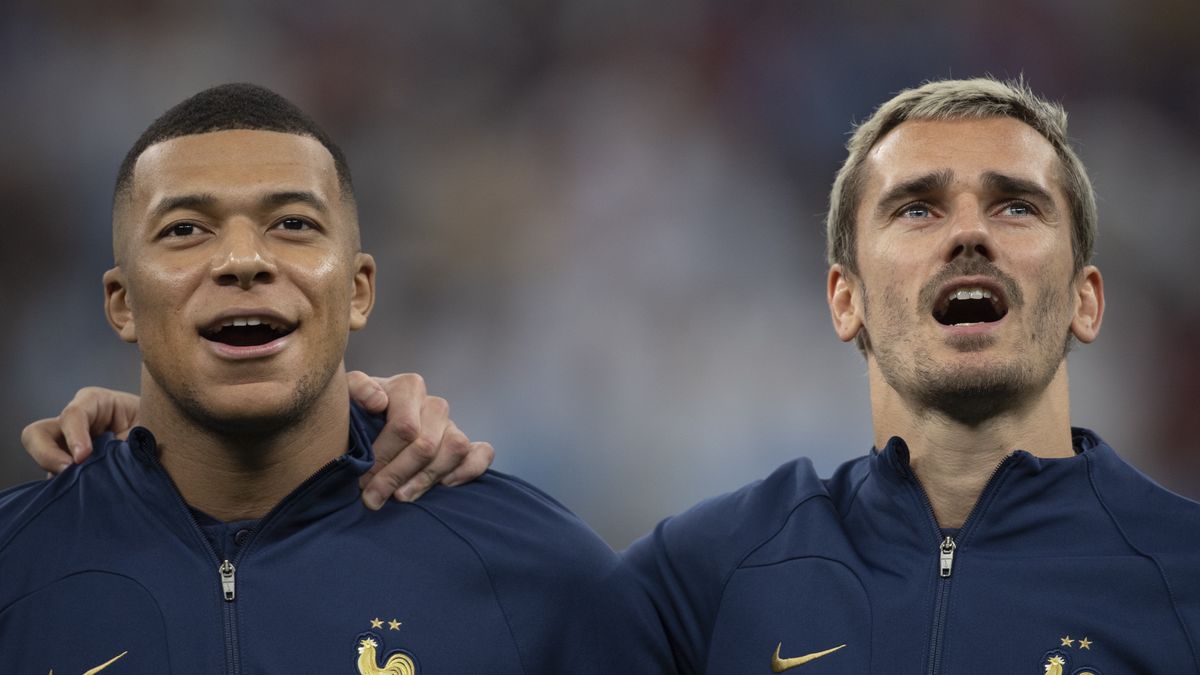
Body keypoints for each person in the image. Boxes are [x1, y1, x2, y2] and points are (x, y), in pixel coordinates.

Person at [25, 77, 1200, 673]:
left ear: (1090, 296)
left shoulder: (1187, 579)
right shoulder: (700, 578)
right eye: (917, 205)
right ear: (841, 298)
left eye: (1015, 204)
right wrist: (155, 450)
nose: (969, 234)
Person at [0, 83, 671, 674]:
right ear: (122, 302)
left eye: (292, 223)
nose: (242, 259)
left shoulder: (540, 577)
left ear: (357, 290)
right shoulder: (18, 563)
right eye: (186, 229)